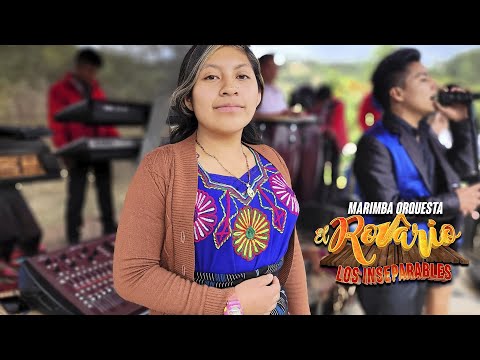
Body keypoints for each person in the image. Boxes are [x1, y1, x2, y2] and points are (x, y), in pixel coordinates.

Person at [113, 45, 310, 315]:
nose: (230, 88)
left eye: (242, 77)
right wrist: (231, 305)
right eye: (211, 77)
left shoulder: (272, 160)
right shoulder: (160, 168)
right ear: (188, 99)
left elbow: (291, 252)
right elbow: (133, 275)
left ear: (258, 94)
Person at [353, 48, 480, 315]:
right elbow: (388, 209)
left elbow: (461, 172)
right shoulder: (375, 144)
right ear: (397, 94)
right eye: (423, 79)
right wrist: (455, 201)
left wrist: (461, 123)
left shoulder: (424, 134)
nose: (434, 84)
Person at [48, 48, 119, 245]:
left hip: (101, 151)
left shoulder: (96, 88)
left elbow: (107, 119)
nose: (91, 74)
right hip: (77, 152)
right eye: (89, 69)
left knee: (105, 192)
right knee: (76, 195)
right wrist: (64, 149)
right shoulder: (59, 90)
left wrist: (117, 143)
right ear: (79, 67)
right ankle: (73, 237)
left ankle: (109, 231)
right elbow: (56, 122)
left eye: (94, 71)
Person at [255, 53, 296, 119]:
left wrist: (292, 113)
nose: (273, 70)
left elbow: (283, 110)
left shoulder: (277, 90)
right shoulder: (255, 89)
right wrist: (279, 115)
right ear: (260, 68)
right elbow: (251, 116)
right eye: (269, 67)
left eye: (275, 67)